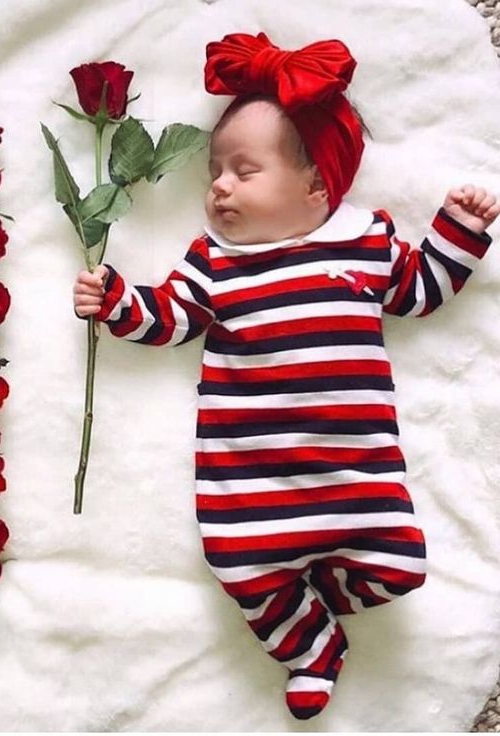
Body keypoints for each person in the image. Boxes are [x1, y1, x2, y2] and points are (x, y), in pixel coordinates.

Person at [72, 32, 499, 720]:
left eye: (243, 170)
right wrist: (119, 301)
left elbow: (421, 290)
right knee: (241, 569)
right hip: (250, 482)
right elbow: (172, 317)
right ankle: (309, 646)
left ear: (316, 185)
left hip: (353, 474)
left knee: (400, 570)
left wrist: (458, 231)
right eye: (215, 170)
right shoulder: (215, 263)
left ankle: (314, 596)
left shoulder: (364, 243)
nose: (218, 185)